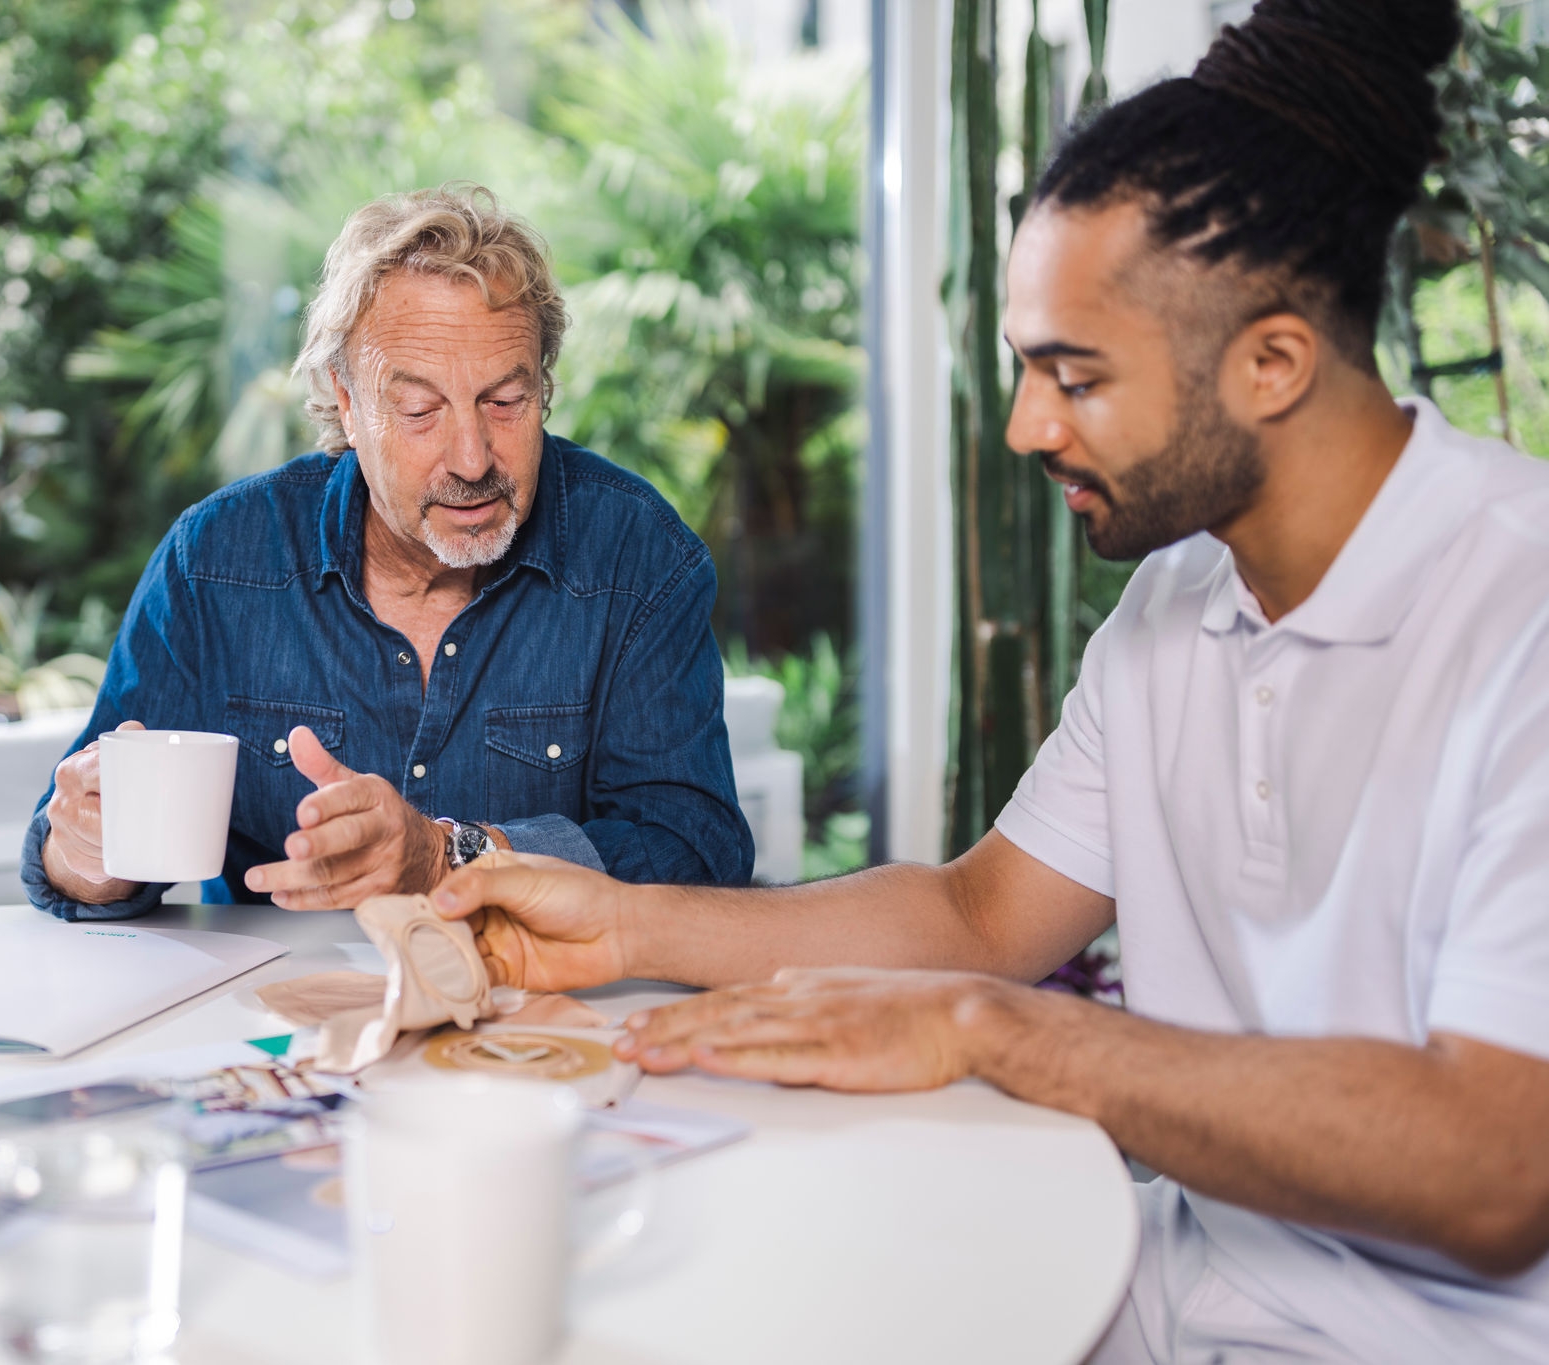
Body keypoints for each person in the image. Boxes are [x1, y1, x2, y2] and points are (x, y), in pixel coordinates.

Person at [431, 3, 1549, 1359]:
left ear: (1273, 363)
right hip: (1161, 1297)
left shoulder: (1521, 612)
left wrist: (997, 1034)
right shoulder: (1170, 605)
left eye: (1074, 376)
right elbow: (977, 914)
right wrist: (623, 929)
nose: (1028, 426)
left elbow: (1500, 1169)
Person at [22, 184, 753, 921]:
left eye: (505, 401)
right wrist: (86, 852)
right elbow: (81, 846)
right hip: (282, 1022)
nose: (472, 459)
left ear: (544, 386)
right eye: (419, 410)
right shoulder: (214, 560)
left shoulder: (638, 557)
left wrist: (448, 857)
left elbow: (695, 852)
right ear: (345, 400)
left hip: (543, 1019)